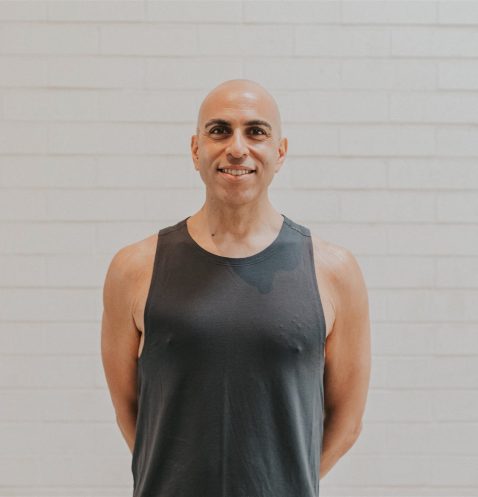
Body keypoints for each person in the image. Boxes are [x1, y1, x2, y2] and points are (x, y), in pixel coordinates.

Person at [101, 78, 371, 497]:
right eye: (219, 130)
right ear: (195, 150)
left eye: (256, 131)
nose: (237, 147)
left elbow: (347, 421)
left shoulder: (334, 271)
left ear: (279, 152)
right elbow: (130, 412)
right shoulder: (135, 268)